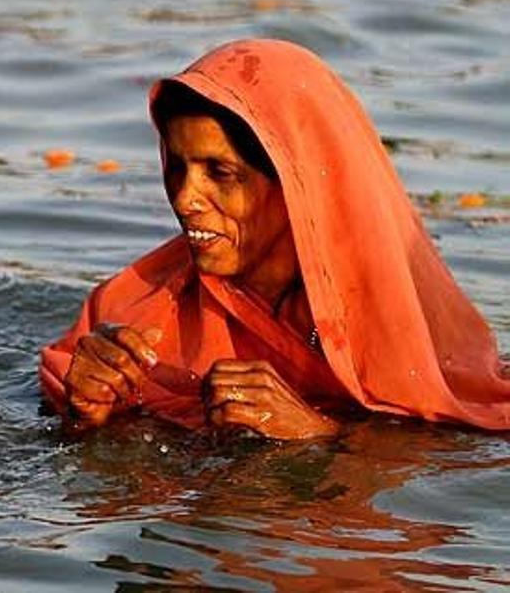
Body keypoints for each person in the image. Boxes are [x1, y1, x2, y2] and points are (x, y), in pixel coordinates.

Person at [41, 39, 510, 439]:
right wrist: (84, 416)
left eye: (220, 173)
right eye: (176, 167)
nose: (186, 199)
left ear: (296, 185)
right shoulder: (132, 309)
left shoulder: (396, 317)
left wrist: (317, 434)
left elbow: (460, 457)